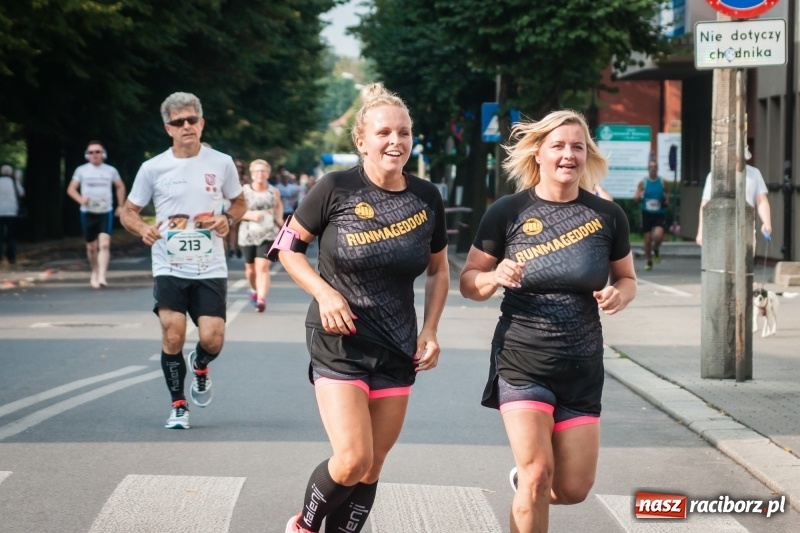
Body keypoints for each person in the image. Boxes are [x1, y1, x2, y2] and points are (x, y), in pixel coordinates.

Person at [274, 83, 450, 533]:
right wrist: (324, 293)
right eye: (384, 133)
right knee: (353, 457)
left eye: (404, 133)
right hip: (340, 340)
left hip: (397, 344)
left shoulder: (426, 197)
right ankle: (304, 526)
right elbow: (288, 248)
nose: (395, 141)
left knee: (372, 465)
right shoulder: (335, 187)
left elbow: (438, 270)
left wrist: (430, 329)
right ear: (361, 141)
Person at [459, 110, 636, 533]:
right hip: (523, 360)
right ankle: (531, 482)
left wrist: (619, 294)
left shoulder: (607, 216)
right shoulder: (508, 211)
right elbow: (468, 281)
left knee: (573, 488)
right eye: (558, 145)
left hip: (581, 366)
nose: (568, 155)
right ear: (538, 153)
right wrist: (493, 276)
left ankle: (526, 485)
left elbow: (627, 279)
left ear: (587, 154)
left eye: (578, 146)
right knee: (539, 472)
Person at [120, 92, 246, 429]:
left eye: (192, 119)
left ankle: (200, 365)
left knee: (212, 338)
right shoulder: (153, 167)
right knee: (172, 333)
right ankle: (178, 405)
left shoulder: (221, 162)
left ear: (201, 123)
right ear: (168, 128)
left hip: (210, 266)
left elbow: (239, 202)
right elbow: (128, 211)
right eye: (178, 122)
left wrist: (227, 219)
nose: (186, 126)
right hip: (169, 264)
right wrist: (142, 228)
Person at [66, 141, 127, 288]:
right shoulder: (81, 170)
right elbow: (71, 189)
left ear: (103, 154)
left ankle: (102, 276)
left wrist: (120, 205)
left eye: (97, 152)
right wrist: (81, 200)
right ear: (87, 155)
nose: (94, 154)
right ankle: (94, 271)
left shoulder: (110, 170)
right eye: (91, 152)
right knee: (91, 247)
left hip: (105, 211)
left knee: (104, 244)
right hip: (88, 212)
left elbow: (120, 186)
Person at [695, 146, 771, 246]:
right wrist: (701, 231)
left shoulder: (754, 174)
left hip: (746, 228)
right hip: (719, 228)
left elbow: (761, 201)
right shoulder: (715, 175)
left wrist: (767, 222)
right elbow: (705, 204)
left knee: (746, 255)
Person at [238, 159, 282, 312]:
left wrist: (280, 220)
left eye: (263, 171)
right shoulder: (244, 191)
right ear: (251, 174)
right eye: (257, 171)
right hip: (248, 233)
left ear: (268, 174)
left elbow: (278, 206)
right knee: (251, 269)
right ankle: (254, 290)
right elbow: (235, 211)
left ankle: (261, 299)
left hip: (269, 233)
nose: (260, 174)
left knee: (263, 266)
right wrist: (250, 215)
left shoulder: (273, 191)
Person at [632, 160, 669, 271]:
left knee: (658, 236)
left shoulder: (662, 182)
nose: (653, 169)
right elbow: (635, 198)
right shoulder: (643, 183)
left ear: (657, 169)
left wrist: (666, 200)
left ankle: (656, 249)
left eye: (655, 167)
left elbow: (667, 192)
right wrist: (638, 196)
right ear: (648, 169)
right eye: (651, 167)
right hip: (646, 214)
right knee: (647, 240)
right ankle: (649, 260)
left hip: (659, 213)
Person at [0, 164, 25, 265]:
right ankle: (11, 257)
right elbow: (22, 193)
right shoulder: (14, 182)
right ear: (10, 173)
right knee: (12, 235)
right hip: (12, 211)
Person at [226, 159, 250, 258]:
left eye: (240, 166)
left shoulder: (245, 178)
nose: (238, 168)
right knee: (232, 226)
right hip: (229, 203)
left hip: (241, 203)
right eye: (237, 166)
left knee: (239, 226)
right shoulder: (229, 176)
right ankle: (231, 247)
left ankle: (238, 246)